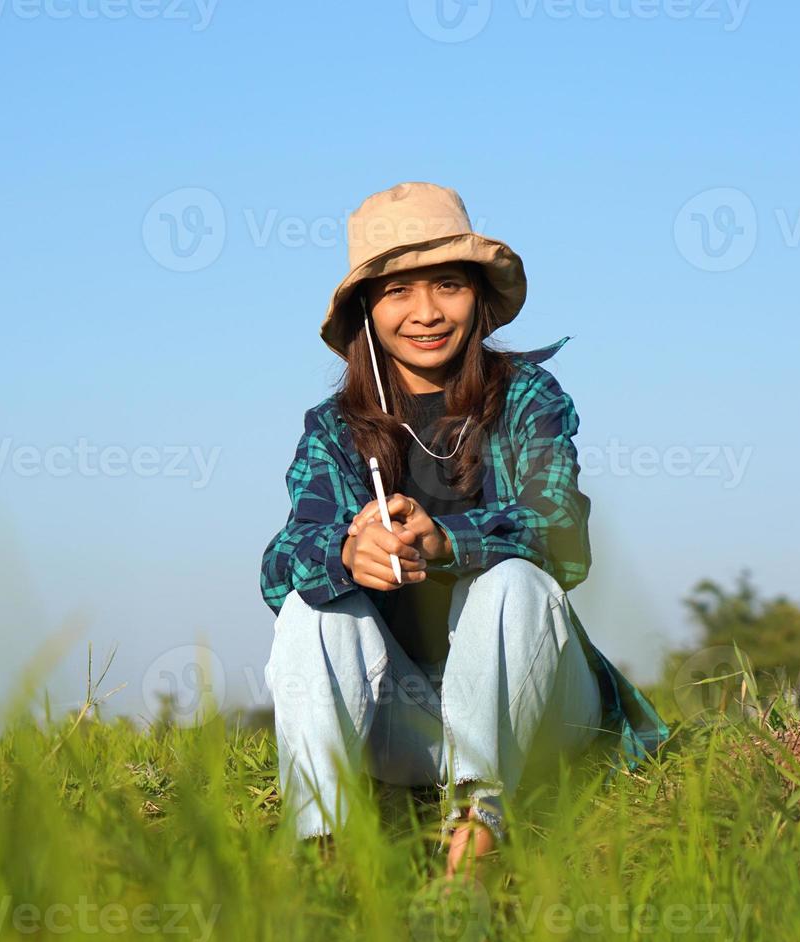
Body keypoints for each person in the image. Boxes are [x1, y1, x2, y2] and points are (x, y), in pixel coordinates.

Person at [258, 182, 669, 878]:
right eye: (397, 292)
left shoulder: (528, 399)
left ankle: (476, 841)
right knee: (312, 603)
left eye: (447, 284)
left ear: (478, 294)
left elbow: (561, 530)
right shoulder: (334, 430)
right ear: (367, 310)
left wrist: (448, 542)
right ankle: (322, 854)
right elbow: (280, 565)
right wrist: (349, 552)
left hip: (533, 711)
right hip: (404, 721)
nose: (425, 313)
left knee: (512, 579)